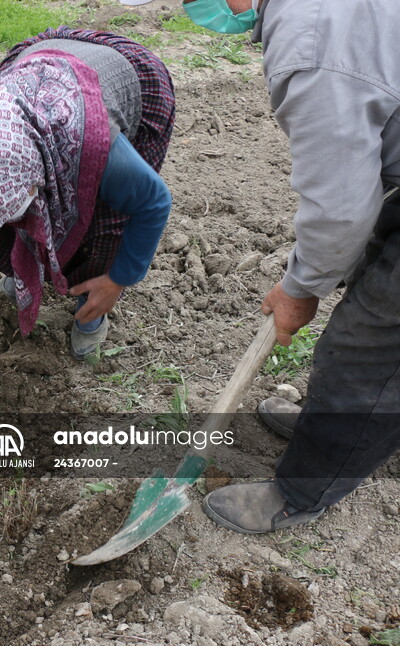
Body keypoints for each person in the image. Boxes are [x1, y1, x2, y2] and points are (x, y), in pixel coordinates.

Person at [171, 0, 400, 533]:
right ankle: (348, 427)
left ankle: (303, 489)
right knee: (375, 289)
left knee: (368, 347)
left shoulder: (312, 43)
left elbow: (340, 210)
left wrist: (301, 288)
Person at [0, 27, 175, 396]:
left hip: (120, 78)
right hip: (40, 61)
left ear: (36, 179)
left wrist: (117, 281)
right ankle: (23, 274)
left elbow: (153, 204)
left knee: (103, 227)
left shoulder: (98, 150)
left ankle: (91, 311)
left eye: (18, 208)